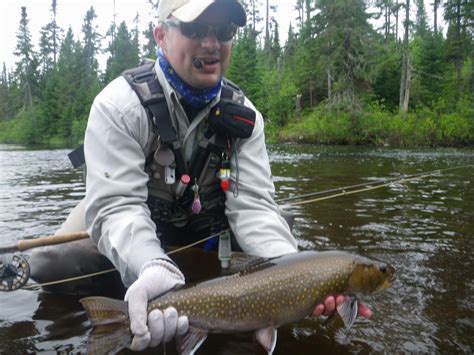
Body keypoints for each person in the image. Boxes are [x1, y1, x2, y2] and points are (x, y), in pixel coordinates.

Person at [30, 0, 371, 351]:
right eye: (195, 30)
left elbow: (254, 208)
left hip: (206, 220)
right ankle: (118, 309)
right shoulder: (118, 106)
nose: (212, 44)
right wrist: (150, 265)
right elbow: (117, 206)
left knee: (283, 225)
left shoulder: (244, 116)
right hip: (128, 212)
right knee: (53, 264)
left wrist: (298, 281)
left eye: (223, 32)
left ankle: (200, 294)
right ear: (160, 36)